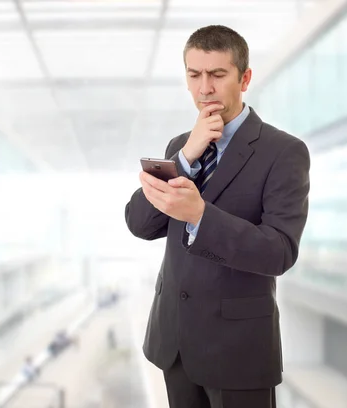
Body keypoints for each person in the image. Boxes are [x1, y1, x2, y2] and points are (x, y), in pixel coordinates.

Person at [124, 25, 310, 408]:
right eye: (194, 75)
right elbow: (141, 224)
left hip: (238, 349)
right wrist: (185, 157)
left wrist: (200, 216)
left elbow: (279, 251)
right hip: (174, 343)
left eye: (217, 74)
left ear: (245, 79)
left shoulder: (284, 152)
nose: (204, 88)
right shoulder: (181, 145)